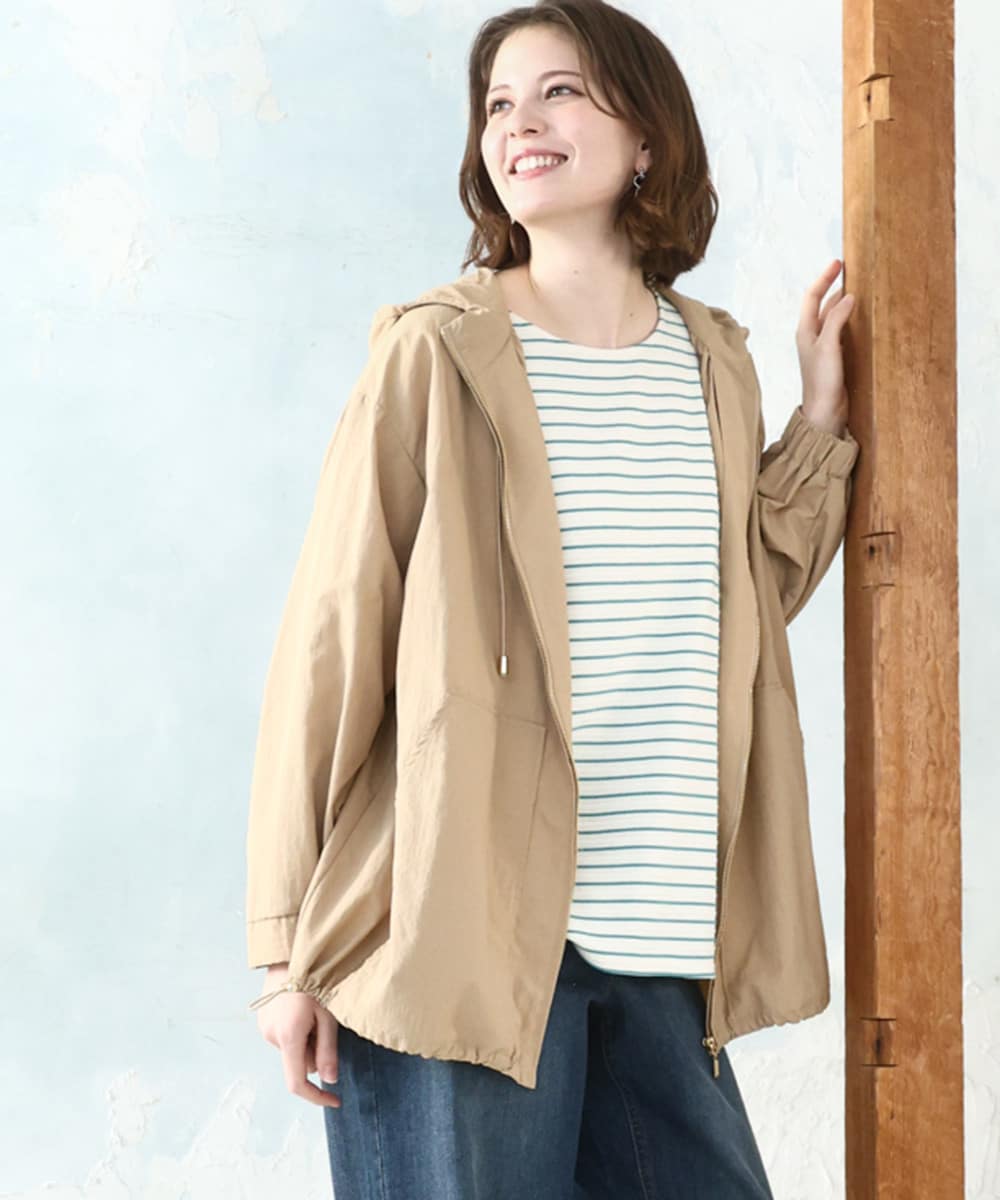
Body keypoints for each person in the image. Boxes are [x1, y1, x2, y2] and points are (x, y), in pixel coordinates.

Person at [246, 1, 860, 1195]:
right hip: (455, 933)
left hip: (663, 937)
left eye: (559, 91)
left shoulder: (715, 360)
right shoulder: (434, 353)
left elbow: (739, 607)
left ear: (647, 138)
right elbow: (332, 645)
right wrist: (283, 956)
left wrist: (820, 420)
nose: (518, 123)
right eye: (496, 104)